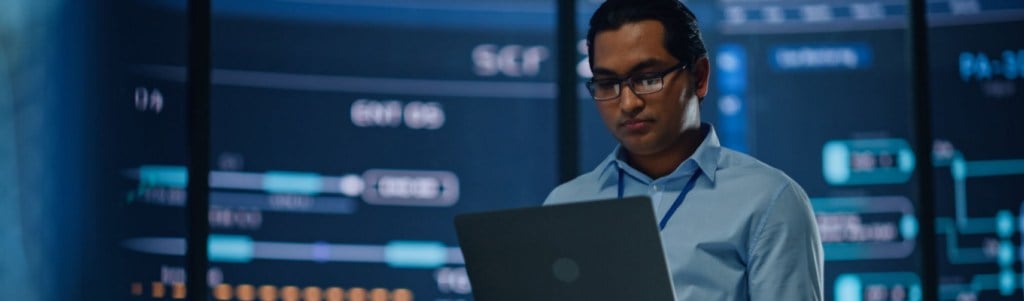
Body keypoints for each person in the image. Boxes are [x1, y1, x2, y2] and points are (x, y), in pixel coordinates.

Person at [543, 0, 824, 300]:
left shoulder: (768, 201)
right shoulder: (565, 205)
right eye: (608, 83)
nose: (628, 103)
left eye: (648, 79)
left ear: (699, 77)